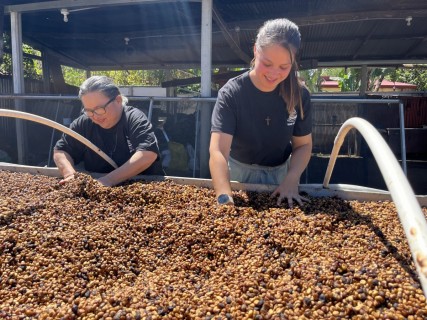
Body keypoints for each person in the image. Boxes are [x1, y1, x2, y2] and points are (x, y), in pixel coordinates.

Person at [209, 18, 312, 207]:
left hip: (282, 174)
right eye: (267, 63)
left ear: (293, 62)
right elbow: (218, 151)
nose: (274, 73)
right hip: (239, 174)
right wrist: (224, 196)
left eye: (284, 67)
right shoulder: (232, 93)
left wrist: (291, 179)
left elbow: (303, 145)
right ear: (256, 50)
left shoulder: (299, 94)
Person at [54, 76, 163, 187]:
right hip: (97, 191)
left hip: (142, 186)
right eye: (88, 111)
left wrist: (108, 181)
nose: (95, 116)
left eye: (99, 109)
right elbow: (61, 150)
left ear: (118, 100)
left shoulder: (134, 118)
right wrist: (69, 175)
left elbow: (148, 154)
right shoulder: (84, 123)